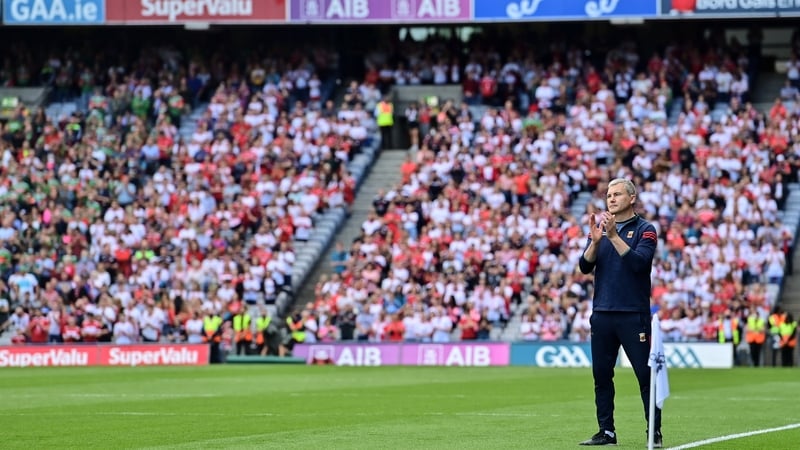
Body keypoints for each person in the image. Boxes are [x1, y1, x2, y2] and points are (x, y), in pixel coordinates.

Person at [578, 178, 662, 447]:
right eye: (608, 195)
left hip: (632, 313)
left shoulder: (645, 230)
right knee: (601, 375)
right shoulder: (601, 229)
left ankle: (654, 431)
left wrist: (613, 237)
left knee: (645, 376)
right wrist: (594, 242)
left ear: (632, 197)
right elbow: (583, 266)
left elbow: (639, 264)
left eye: (617, 194)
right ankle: (606, 431)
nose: (611, 199)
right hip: (602, 312)